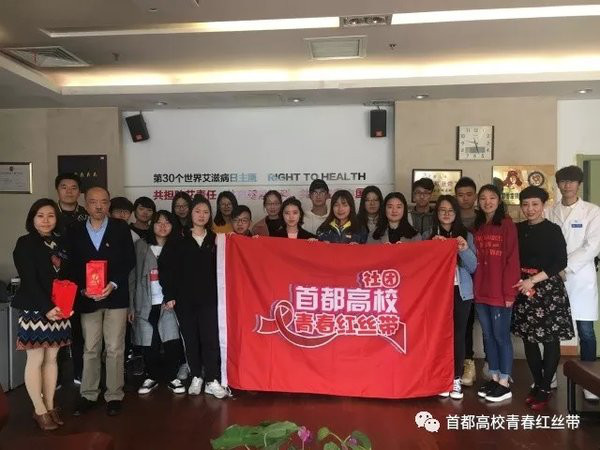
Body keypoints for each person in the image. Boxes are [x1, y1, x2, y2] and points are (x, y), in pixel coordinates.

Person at [67, 186, 135, 417]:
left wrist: (113, 284)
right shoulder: (75, 230)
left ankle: (114, 395)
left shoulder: (120, 228)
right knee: (91, 347)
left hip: (115, 296)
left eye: (104, 202)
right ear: (86, 204)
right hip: (88, 298)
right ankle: (88, 394)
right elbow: (71, 265)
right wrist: (83, 289)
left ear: (109, 204)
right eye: (94, 202)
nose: (99, 206)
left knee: (115, 347)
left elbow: (129, 260)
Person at [160, 195, 230, 398]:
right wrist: (169, 294)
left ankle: (212, 379)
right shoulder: (178, 238)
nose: (201, 215)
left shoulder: (216, 239)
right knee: (190, 339)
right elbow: (166, 268)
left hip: (210, 299)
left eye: (206, 212)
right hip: (185, 300)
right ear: (191, 213)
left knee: (210, 339)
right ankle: (196, 376)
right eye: (197, 211)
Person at [12, 199, 72, 430]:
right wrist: (47, 307)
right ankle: (39, 410)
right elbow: (29, 279)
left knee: (52, 359)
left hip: (59, 309)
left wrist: (67, 304)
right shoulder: (25, 243)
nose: (46, 220)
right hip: (36, 309)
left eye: (50, 215)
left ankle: (50, 404)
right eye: (40, 216)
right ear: (32, 219)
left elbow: (66, 277)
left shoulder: (60, 243)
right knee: (35, 359)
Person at [512, 186, 574, 411]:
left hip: (548, 290)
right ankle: (538, 383)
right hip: (524, 289)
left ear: (543, 205)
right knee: (529, 339)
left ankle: (546, 386)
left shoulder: (552, 230)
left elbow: (560, 261)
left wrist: (533, 280)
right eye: (525, 204)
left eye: (535, 204)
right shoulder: (517, 229)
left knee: (550, 339)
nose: (530, 209)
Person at [546, 165, 600, 401]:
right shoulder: (549, 211)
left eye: (571, 181)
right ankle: (549, 375)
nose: (567, 185)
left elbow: (593, 245)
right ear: (558, 184)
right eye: (563, 181)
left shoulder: (593, 212)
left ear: (579, 184)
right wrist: (554, 269)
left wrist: (564, 267)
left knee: (586, 331)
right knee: (552, 329)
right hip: (554, 278)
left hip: (580, 278)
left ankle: (590, 380)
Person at [423, 195, 477, 400]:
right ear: (436, 213)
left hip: (460, 292)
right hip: (436, 294)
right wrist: (431, 248)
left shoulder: (466, 236)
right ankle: (440, 378)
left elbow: (473, 267)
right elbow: (420, 266)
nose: (446, 214)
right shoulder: (428, 235)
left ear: (456, 214)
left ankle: (455, 379)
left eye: (450, 211)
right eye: (442, 210)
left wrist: (464, 250)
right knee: (437, 336)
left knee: (458, 336)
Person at [473, 184, 520, 403]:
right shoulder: (478, 226)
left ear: (499, 201)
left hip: (500, 292)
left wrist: (510, 293)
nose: (487, 202)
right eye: (483, 198)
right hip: (481, 291)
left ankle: (504, 382)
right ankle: (494, 377)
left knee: (501, 336)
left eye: (492, 197)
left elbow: (512, 259)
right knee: (488, 336)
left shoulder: (507, 225)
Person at [130, 210, 185, 395]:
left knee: (171, 340)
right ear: (151, 225)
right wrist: (131, 306)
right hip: (145, 301)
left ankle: (172, 377)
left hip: (169, 302)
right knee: (149, 341)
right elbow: (132, 276)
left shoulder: (177, 246)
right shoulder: (141, 246)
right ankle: (151, 376)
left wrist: (175, 296)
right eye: (158, 222)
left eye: (167, 222)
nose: (162, 226)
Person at [54, 173, 87, 388]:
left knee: (78, 329)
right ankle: (54, 376)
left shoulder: (85, 215)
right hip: (55, 281)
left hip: (80, 280)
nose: (69, 191)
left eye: (74, 187)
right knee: (55, 329)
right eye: (64, 187)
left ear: (79, 192)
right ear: (57, 189)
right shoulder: (50, 213)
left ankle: (79, 372)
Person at [454, 177, 478, 387]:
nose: (465, 199)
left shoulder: (481, 219)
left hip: (475, 278)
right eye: (460, 195)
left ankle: (469, 362)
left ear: (475, 196)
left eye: (469, 194)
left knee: (468, 324)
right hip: (453, 284)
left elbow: (473, 263)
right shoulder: (444, 223)